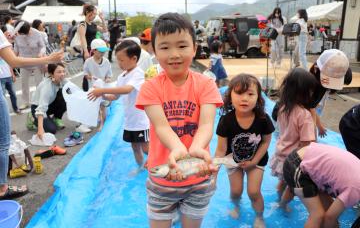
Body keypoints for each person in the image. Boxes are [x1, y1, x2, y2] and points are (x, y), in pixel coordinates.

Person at [135, 13, 223, 228]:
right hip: (163, 181)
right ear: (154, 51)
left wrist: (195, 149)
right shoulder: (150, 88)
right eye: (165, 47)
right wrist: (179, 150)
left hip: (199, 178)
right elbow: (161, 126)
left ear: (194, 48)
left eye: (182, 46)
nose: (174, 54)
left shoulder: (206, 85)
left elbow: (206, 124)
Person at [0, 28, 63, 200]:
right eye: (59, 71)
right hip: (38, 110)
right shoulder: (46, 85)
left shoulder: (60, 83)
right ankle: (2, 188)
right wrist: (49, 58)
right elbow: (13, 60)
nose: (62, 74)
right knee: (3, 141)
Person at [215, 74, 274, 227]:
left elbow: (266, 141)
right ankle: (236, 206)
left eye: (250, 94)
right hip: (232, 161)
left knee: (253, 192)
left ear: (259, 98)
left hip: (256, 160)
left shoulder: (263, 119)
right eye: (239, 93)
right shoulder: (226, 121)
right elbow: (221, 150)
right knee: (236, 191)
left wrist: (253, 162)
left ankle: (259, 216)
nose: (244, 98)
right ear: (230, 97)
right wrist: (213, 174)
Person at [88, 40, 149, 167]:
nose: (119, 63)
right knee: (135, 147)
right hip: (130, 121)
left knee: (146, 148)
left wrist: (103, 89)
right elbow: (115, 96)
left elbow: (127, 90)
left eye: (122, 60)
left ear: (134, 58)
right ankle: (141, 168)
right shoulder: (122, 76)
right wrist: (102, 95)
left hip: (141, 121)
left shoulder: (138, 74)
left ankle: (155, 167)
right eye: (118, 60)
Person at [270, 68, 317, 210]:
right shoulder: (304, 115)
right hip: (294, 159)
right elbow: (307, 144)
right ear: (304, 92)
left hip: (281, 153)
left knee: (283, 183)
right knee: (292, 188)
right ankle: (283, 205)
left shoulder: (283, 108)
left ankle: (278, 200)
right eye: (310, 90)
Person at [283, 142, 360, 227]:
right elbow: (329, 218)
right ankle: (282, 205)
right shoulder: (356, 190)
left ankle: (281, 205)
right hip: (298, 165)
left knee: (329, 210)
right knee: (317, 215)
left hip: (308, 157)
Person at [309, 49, 350, 138]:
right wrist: (314, 132)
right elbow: (310, 110)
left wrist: (318, 127)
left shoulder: (322, 86)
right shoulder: (310, 86)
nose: (329, 87)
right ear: (316, 69)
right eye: (328, 79)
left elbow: (313, 108)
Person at [27, 63, 67, 137]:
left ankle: (56, 118)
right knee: (51, 130)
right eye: (59, 72)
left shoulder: (63, 81)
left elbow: (74, 93)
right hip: (38, 108)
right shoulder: (47, 87)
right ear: (51, 74)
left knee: (66, 95)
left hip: (49, 105)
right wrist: (40, 129)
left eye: (63, 71)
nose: (62, 74)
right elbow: (41, 108)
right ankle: (32, 118)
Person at [14, 20, 46, 110]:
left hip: (36, 60)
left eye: (26, 33)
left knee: (39, 82)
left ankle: (40, 101)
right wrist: (13, 56)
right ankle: (25, 102)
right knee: (24, 83)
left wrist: (41, 53)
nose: (24, 35)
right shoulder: (17, 34)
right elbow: (16, 47)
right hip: (24, 60)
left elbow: (43, 46)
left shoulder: (37, 33)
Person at [83, 38, 112, 132]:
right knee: (96, 105)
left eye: (104, 52)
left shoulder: (106, 61)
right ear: (94, 51)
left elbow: (109, 75)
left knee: (103, 105)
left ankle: (104, 123)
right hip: (93, 87)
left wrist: (106, 80)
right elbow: (85, 74)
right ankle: (97, 120)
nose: (103, 54)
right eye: (100, 52)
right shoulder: (88, 61)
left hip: (103, 87)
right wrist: (91, 77)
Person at [0, 26, 20, 114]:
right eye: (6, 34)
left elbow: (11, 63)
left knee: (13, 95)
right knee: (2, 98)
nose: (8, 35)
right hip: (1, 77)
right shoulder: (2, 47)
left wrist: (13, 74)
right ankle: (4, 112)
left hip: (8, 75)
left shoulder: (8, 47)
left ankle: (16, 109)